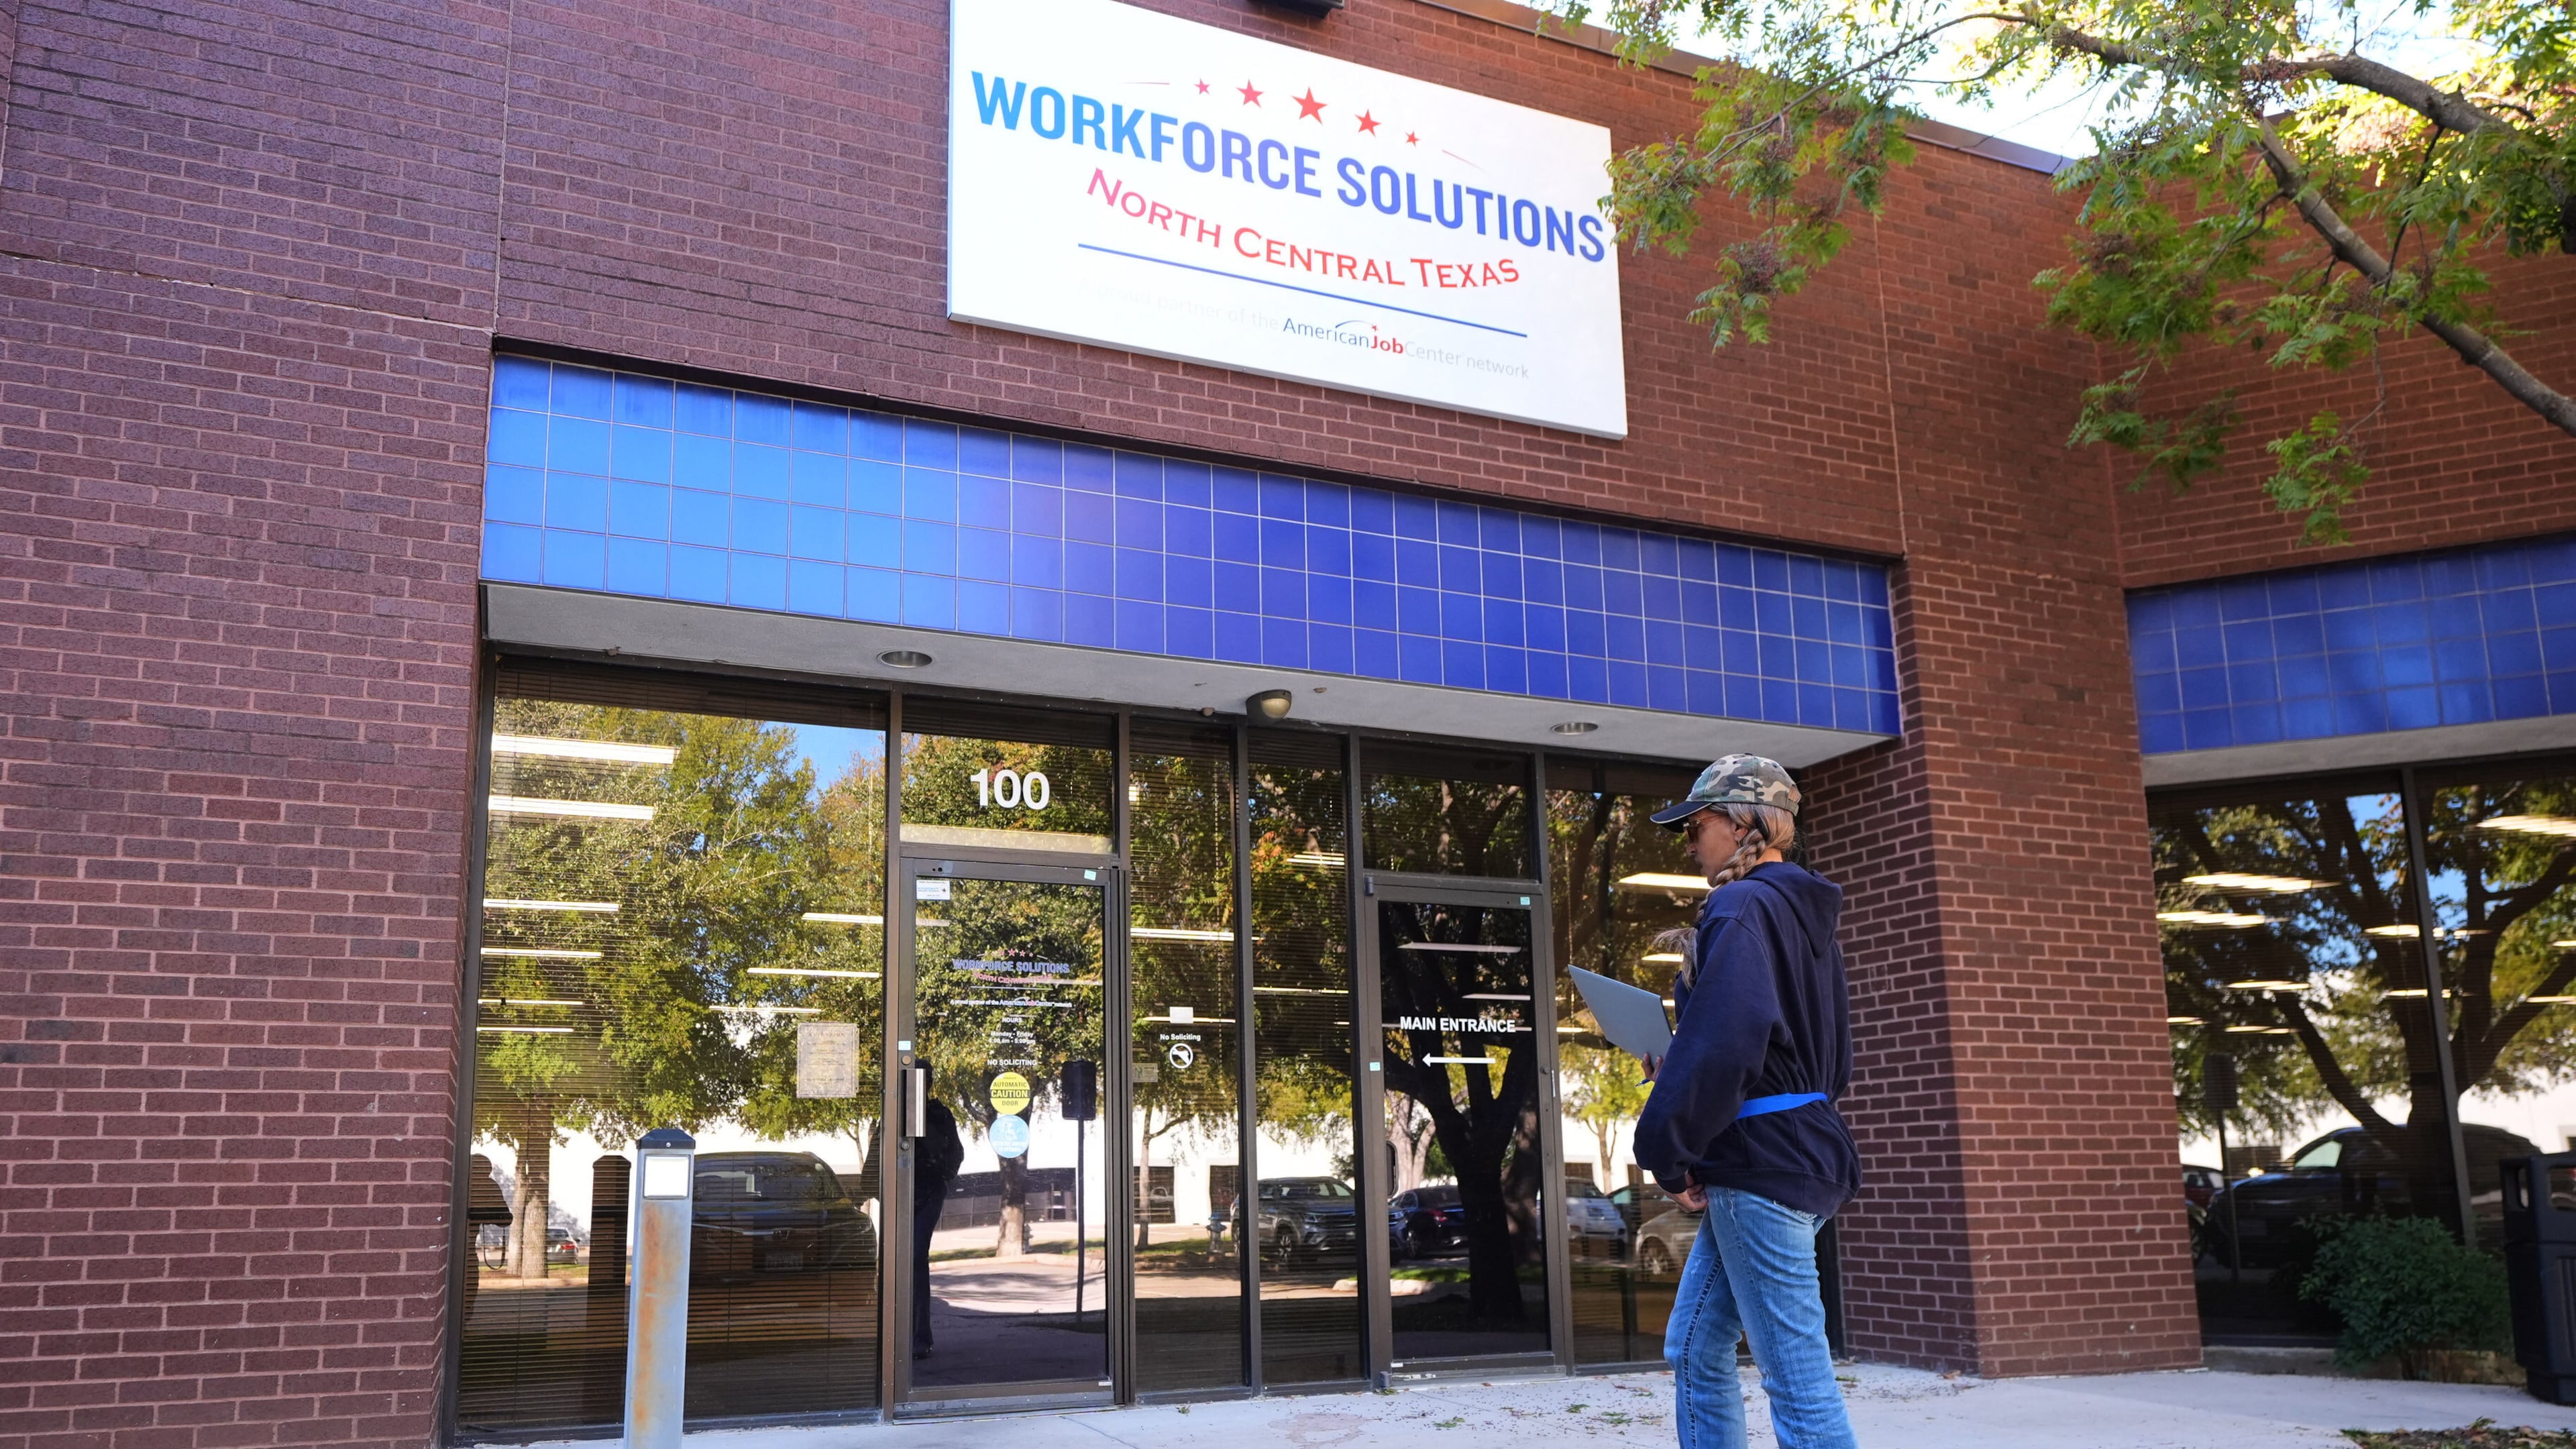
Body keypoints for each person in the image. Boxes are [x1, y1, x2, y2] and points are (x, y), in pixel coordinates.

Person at [1633, 754, 1860, 1449]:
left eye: (1697, 825)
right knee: (1696, 1344)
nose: (1691, 842)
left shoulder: (1741, 906)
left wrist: (1668, 1150)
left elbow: (1730, 1046)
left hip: (1763, 1167)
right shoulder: (1800, 914)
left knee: (1795, 1377)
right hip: (1792, 1154)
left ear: (1739, 825)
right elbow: (1796, 1052)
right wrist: (1685, 1068)